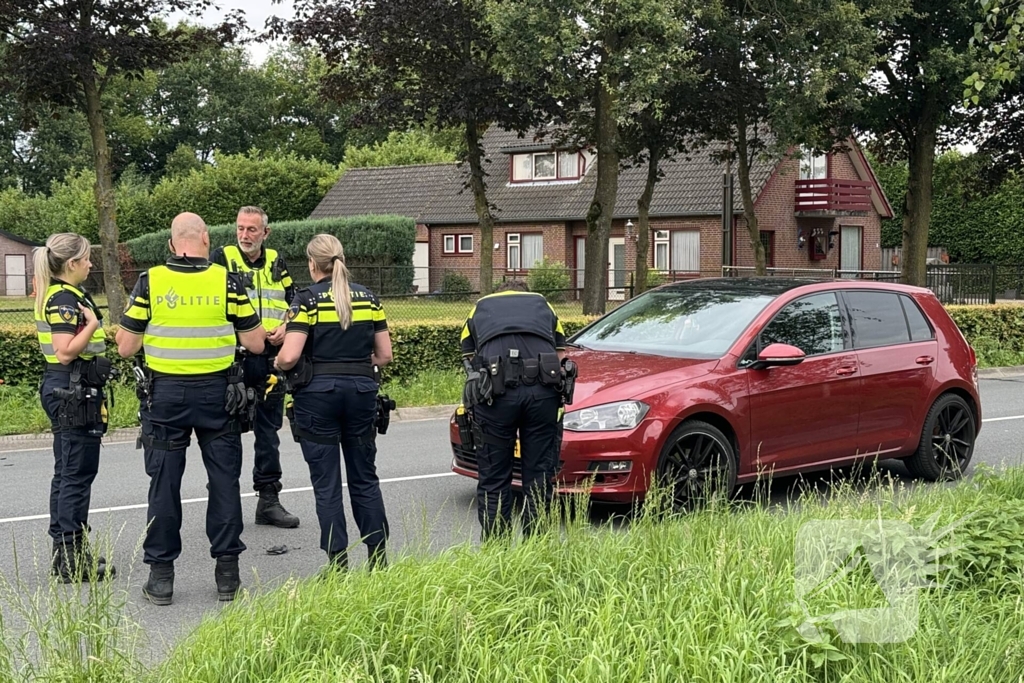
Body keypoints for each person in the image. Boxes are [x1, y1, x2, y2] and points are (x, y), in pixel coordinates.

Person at [116, 212, 265, 605]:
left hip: (165, 398)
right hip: (219, 396)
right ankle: (227, 575)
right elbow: (255, 344)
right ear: (204, 240)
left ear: (170, 244)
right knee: (223, 481)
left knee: (164, 486)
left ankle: (161, 577)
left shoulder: (150, 282)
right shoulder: (226, 280)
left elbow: (126, 346)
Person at [274, 234, 392, 571]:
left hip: (317, 398)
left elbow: (290, 354)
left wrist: (278, 362)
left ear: (312, 263)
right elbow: (384, 355)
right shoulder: (368, 298)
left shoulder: (306, 300)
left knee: (327, 486)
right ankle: (378, 559)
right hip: (361, 393)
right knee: (365, 479)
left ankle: (338, 564)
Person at [32, 233, 116, 583]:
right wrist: (94, 325)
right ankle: (70, 558)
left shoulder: (63, 294)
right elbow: (65, 350)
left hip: (68, 387)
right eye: (86, 259)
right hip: (72, 387)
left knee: (67, 471)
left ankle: (66, 551)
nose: (91, 263)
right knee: (76, 474)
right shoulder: (64, 299)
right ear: (71, 264)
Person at [210, 206, 299, 529]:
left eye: (251, 230)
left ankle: (269, 500)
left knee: (268, 434)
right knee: (226, 434)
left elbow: (295, 301)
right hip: (234, 360)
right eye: (240, 228)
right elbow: (213, 304)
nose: (245, 235)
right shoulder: (222, 259)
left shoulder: (277, 260)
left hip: (270, 359)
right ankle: (225, 505)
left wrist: (286, 327)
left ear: (265, 233)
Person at [460, 280, 567, 540]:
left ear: (499, 292)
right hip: (542, 395)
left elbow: (467, 356)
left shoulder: (479, 308)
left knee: (494, 478)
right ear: (525, 290)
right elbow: (561, 355)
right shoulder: (544, 304)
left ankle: (498, 553)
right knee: (539, 476)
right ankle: (537, 548)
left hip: (495, 398)